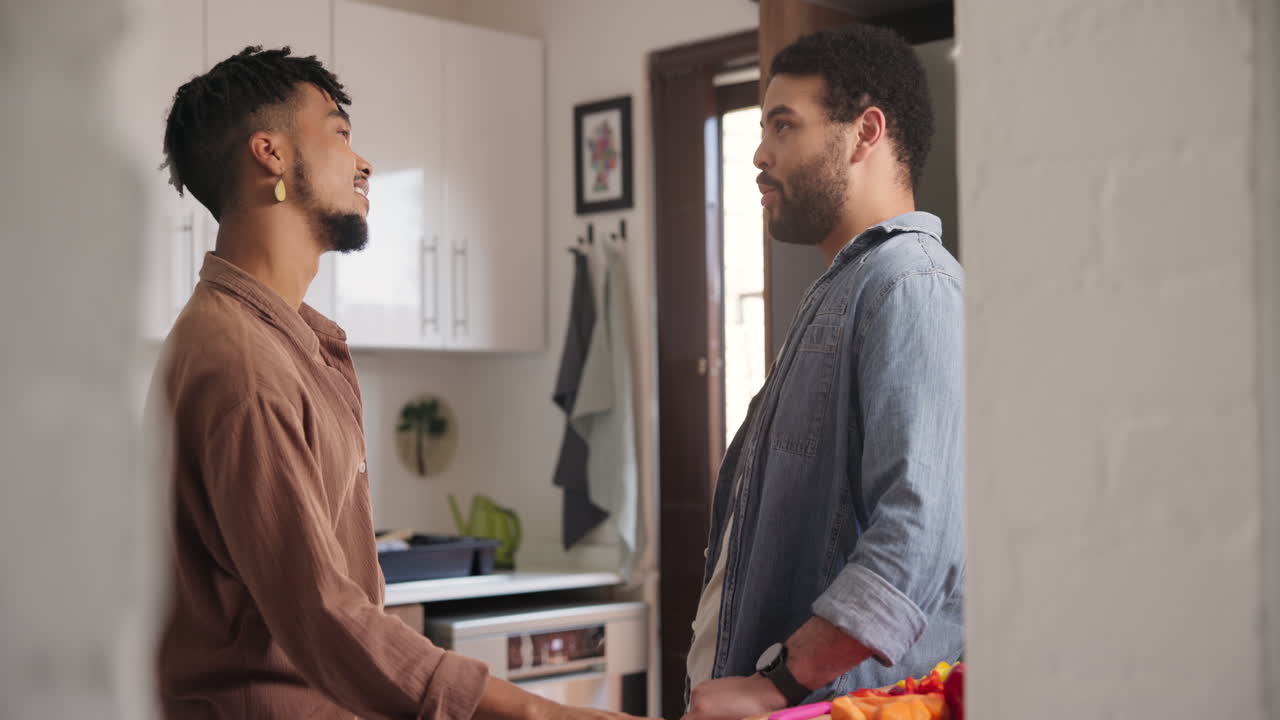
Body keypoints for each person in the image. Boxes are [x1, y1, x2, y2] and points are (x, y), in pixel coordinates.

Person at [151, 45, 649, 720]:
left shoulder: (279, 340)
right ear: (269, 153)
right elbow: (323, 615)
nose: (364, 163)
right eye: (339, 132)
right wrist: (540, 713)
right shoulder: (241, 361)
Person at [682, 25, 965, 720]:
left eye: (784, 124)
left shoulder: (911, 284)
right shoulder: (847, 287)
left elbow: (921, 530)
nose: (759, 151)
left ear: (865, 132)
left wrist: (780, 683)